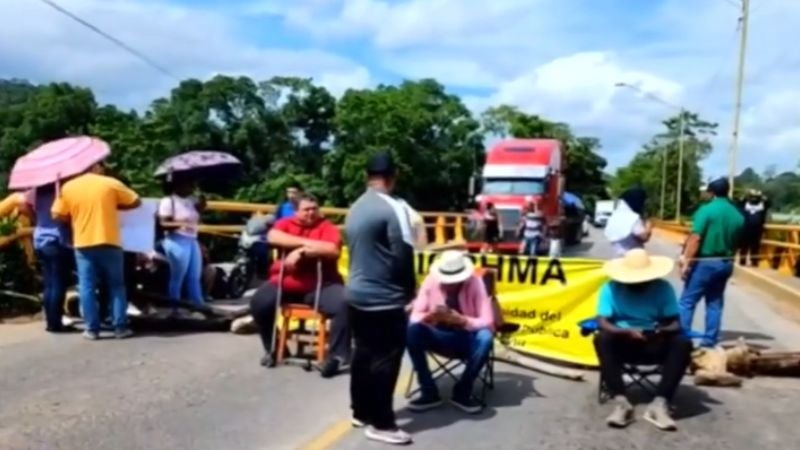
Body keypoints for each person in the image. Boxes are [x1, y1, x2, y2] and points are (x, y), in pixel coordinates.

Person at [345, 152, 416, 445]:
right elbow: (403, 254)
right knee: (387, 358)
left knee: (363, 352)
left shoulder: (355, 207)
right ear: (393, 176)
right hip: (384, 297)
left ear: (367, 176)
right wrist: (410, 292)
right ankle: (383, 423)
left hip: (356, 293)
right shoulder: (394, 207)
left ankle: (360, 411)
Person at [249, 194, 350, 378]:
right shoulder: (285, 224)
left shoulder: (326, 227)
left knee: (345, 302)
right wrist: (305, 245)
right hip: (284, 282)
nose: (311, 213)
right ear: (296, 211)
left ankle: (337, 356)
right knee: (259, 303)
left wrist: (301, 252)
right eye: (306, 210)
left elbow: (332, 249)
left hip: (320, 285)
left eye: (314, 209)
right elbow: (273, 236)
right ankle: (272, 347)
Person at [594, 248, 693, 431]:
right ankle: (621, 401)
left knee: (682, 343)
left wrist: (659, 330)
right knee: (602, 339)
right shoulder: (610, 288)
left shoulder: (662, 288)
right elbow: (602, 321)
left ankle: (660, 403)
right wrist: (625, 332)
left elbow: (675, 324)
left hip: (653, 340)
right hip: (623, 340)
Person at [51, 162, 141, 340]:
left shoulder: (69, 187)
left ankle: (92, 329)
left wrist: (73, 215)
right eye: (102, 165)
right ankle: (120, 327)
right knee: (117, 285)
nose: (105, 167)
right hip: (110, 241)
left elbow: (56, 214)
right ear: (95, 167)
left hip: (83, 243)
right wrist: (116, 205)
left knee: (87, 287)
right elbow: (136, 201)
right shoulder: (110, 183)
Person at [406, 250, 494, 414]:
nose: (449, 284)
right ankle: (428, 390)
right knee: (412, 331)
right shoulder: (431, 281)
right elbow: (415, 314)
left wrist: (463, 320)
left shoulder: (475, 283)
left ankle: (462, 391)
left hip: (465, 337)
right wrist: (430, 316)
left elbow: (488, 320)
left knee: (486, 337)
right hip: (438, 334)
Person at [678, 178, 744, 348]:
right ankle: (708, 342)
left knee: (687, 301)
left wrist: (686, 262)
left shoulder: (706, 210)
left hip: (705, 262)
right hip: (726, 262)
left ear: (711, 192)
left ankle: (683, 340)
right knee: (714, 303)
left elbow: (695, 238)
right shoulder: (737, 214)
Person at [2, 188, 73, 332]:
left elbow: (31, 214)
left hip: (39, 242)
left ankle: (52, 319)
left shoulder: (35, 195)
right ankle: (55, 320)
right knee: (57, 283)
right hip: (50, 241)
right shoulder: (58, 193)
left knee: (50, 284)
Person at [158, 176, 206, 311]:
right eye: (189, 184)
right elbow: (163, 223)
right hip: (176, 239)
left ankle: (198, 306)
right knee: (177, 277)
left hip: (192, 239)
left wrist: (201, 208)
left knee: (194, 276)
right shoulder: (168, 201)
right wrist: (180, 224)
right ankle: (175, 308)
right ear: (178, 185)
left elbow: (196, 220)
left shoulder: (191, 201)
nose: (192, 187)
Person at [605, 187, 653, 256]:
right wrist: (649, 225)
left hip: (619, 257)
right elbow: (644, 237)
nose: (643, 206)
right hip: (634, 259)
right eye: (643, 202)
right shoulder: (632, 218)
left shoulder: (615, 216)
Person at [738, 189, 769, 267]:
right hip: (745, 228)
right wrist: (745, 196)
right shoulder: (745, 204)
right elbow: (739, 202)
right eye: (752, 197)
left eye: (756, 197)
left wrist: (762, 196)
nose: (754, 199)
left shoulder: (762, 205)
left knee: (755, 246)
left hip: (757, 229)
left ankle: (754, 261)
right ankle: (742, 260)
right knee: (744, 246)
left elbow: (768, 203)